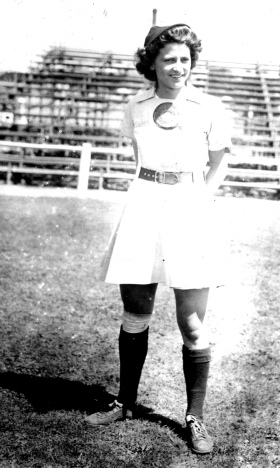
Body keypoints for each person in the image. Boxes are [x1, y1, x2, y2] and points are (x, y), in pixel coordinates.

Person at [84, 23, 231, 455]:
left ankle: (195, 418)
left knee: (192, 323)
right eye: (169, 58)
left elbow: (219, 161)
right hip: (144, 206)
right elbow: (137, 159)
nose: (178, 66)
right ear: (152, 62)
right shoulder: (135, 105)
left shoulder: (209, 106)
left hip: (190, 208)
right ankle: (126, 402)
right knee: (136, 310)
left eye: (185, 59)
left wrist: (199, 198)